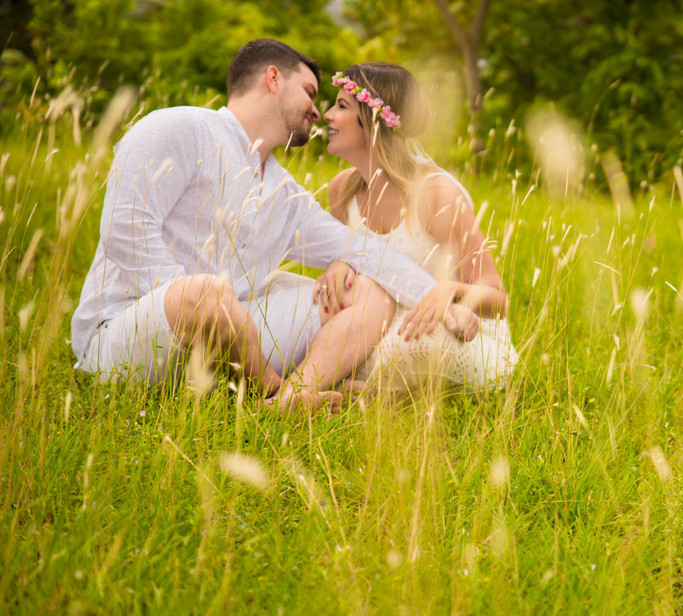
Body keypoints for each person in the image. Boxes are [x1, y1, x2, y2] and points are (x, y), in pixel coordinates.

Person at [70, 39, 478, 410]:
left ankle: (296, 395)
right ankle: (271, 389)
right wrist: (209, 308)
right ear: (272, 78)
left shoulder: (285, 193)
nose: (318, 111)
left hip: (230, 343)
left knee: (367, 288)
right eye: (311, 93)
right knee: (204, 293)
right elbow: (125, 232)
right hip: (129, 333)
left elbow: (365, 250)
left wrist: (437, 300)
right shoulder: (177, 128)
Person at [274, 61, 517, 404]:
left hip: (452, 327)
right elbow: (354, 275)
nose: (326, 115)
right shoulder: (341, 191)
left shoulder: (435, 195)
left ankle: (349, 393)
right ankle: (336, 393)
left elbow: (497, 299)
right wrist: (340, 266)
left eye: (342, 106)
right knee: (290, 296)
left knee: (406, 344)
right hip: (378, 318)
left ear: (375, 123)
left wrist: (449, 290)